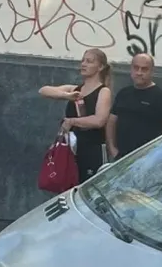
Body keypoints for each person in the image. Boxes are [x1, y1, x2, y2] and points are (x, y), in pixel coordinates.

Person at [39, 49, 112, 184]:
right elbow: (43, 90)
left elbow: (99, 120)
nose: (84, 64)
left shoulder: (103, 91)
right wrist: (67, 96)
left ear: (100, 67)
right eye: (83, 60)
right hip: (71, 148)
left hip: (91, 149)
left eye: (89, 61)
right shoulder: (74, 89)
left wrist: (72, 121)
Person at [106, 53, 162, 160]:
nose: (139, 73)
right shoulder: (123, 93)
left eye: (144, 69)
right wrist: (113, 150)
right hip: (121, 160)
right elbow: (111, 122)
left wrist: (156, 157)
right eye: (136, 68)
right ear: (131, 69)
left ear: (152, 71)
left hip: (148, 160)